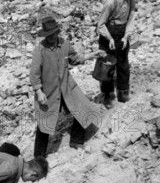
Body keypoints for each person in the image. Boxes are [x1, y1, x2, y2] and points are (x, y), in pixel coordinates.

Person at [29, 16, 105, 157]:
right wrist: (39, 92)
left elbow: (75, 59)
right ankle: (38, 157)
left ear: (57, 32)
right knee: (44, 122)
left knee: (80, 108)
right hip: (49, 92)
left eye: (54, 34)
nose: (52, 38)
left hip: (66, 86)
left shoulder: (65, 44)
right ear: (45, 35)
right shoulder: (39, 50)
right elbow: (34, 74)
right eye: (48, 35)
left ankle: (76, 141)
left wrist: (93, 55)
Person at [97, 0, 138, 107]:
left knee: (123, 65)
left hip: (121, 34)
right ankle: (107, 95)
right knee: (107, 66)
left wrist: (126, 37)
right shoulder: (111, 2)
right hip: (109, 33)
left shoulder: (131, 0)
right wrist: (109, 38)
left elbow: (131, 19)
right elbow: (101, 24)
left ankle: (123, 92)